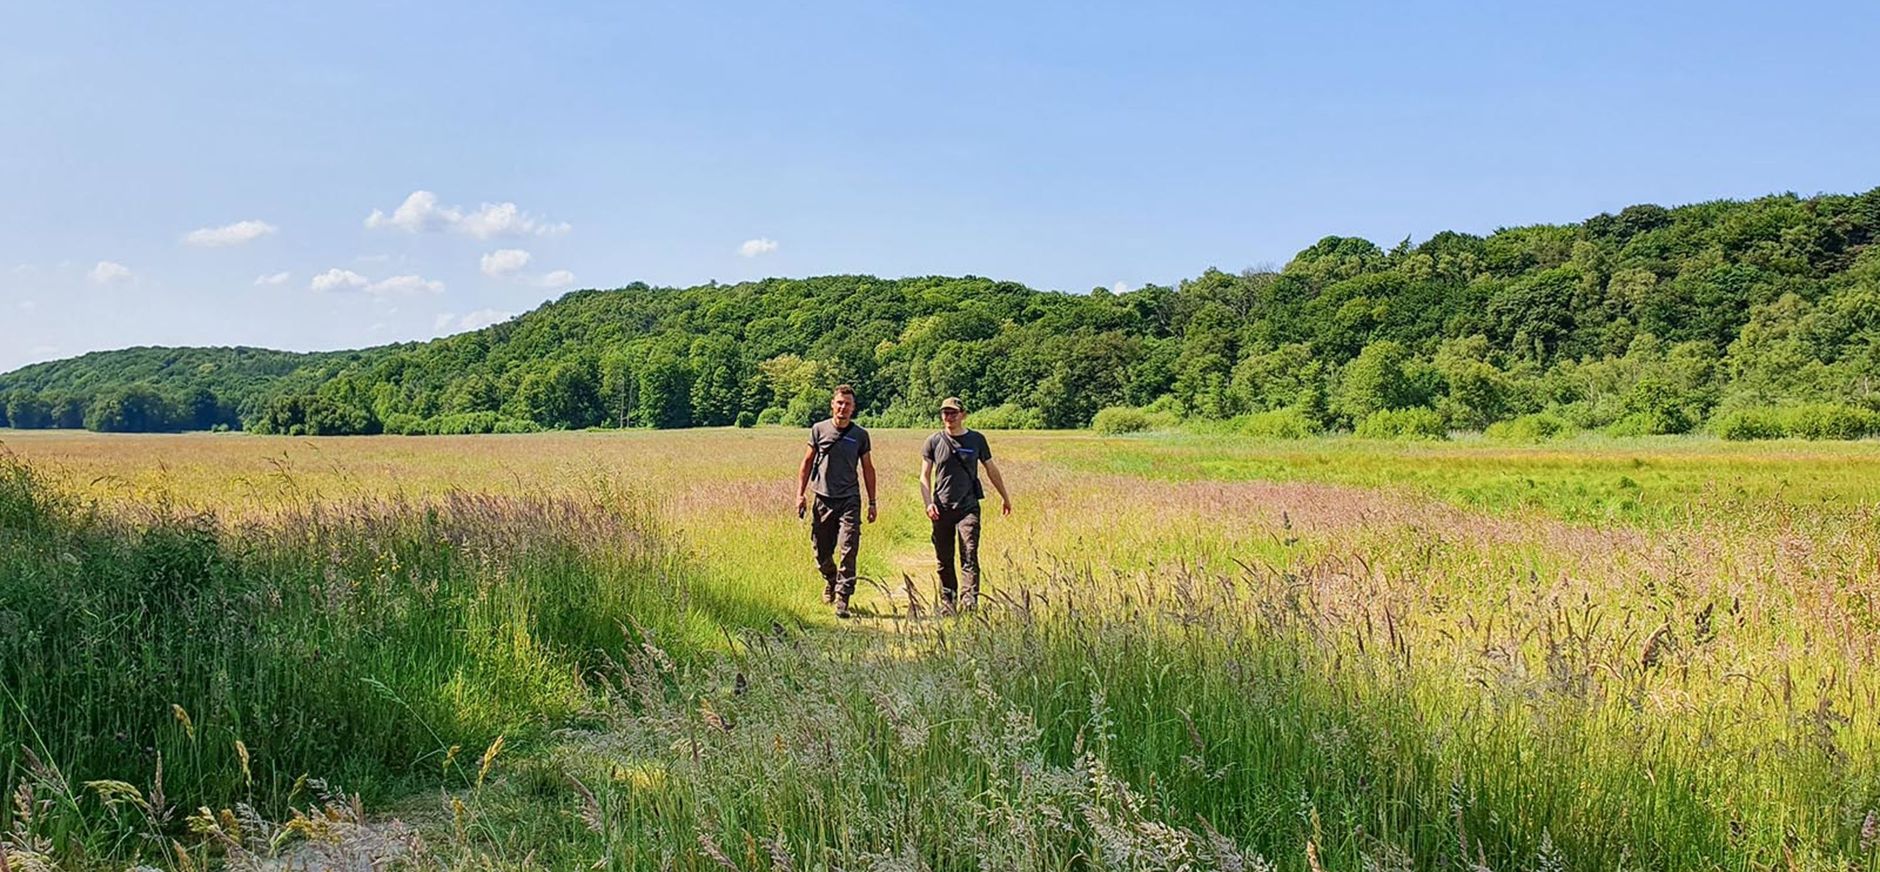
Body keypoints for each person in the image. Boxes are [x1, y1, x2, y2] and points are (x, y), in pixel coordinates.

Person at [919, 397, 1011, 614]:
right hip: (941, 508)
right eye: (945, 413)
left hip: (968, 507)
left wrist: (1005, 497)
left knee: (969, 552)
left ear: (963, 414)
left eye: (953, 413)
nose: (948, 417)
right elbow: (924, 476)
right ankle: (948, 603)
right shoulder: (933, 441)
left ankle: (969, 603)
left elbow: (991, 469)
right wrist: (928, 503)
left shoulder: (976, 440)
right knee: (944, 557)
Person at [795, 384, 877, 618]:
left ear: (853, 408)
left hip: (850, 499)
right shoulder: (818, 429)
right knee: (821, 551)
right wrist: (800, 494)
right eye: (839, 402)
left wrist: (872, 502)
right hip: (822, 497)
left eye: (847, 404)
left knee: (849, 547)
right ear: (832, 404)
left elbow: (868, 469)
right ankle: (832, 579)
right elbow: (807, 463)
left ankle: (843, 597)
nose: (843, 407)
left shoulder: (860, 435)